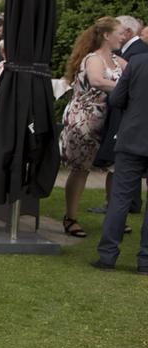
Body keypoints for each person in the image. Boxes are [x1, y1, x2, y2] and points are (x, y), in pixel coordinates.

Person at [60, 17, 122, 238]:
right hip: (85, 120)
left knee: (115, 168)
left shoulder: (117, 60)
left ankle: (115, 217)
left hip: (109, 122)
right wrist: (125, 87)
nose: (123, 36)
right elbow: (97, 81)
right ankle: (71, 217)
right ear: (107, 35)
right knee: (81, 169)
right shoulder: (93, 59)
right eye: (120, 32)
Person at [93, 55, 148, 272]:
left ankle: (107, 255)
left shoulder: (137, 62)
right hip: (133, 137)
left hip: (132, 137)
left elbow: (116, 99)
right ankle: (145, 260)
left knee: (120, 197)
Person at [92, 15, 148, 215]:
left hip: (130, 127)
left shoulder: (137, 55)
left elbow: (119, 96)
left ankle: (110, 244)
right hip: (128, 126)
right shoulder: (130, 54)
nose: (121, 37)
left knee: (121, 188)